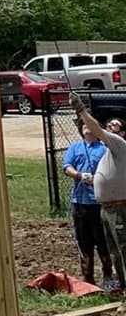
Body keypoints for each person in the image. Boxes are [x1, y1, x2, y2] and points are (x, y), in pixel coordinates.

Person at [75, 102, 126, 295]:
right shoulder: (109, 153)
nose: (110, 127)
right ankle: (122, 288)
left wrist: (81, 111)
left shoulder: (119, 144)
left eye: (115, 126)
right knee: (115, 253)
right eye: (109, 125)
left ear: (122, 134)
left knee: (123, 251)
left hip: (119, 208)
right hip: (107, 208)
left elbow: (95, 127)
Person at [62, 112, 112, 288]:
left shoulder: (105, 149)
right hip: (80, 201)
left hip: (99, 201)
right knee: (84, 240)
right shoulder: (75, 148)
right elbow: (66, 166)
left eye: (90, 126)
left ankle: (108, 275)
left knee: (102, 239)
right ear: (81, 130)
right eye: (84, 127)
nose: (87, 129)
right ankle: (88, 277)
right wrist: (78, 175)